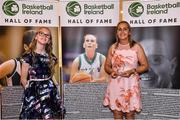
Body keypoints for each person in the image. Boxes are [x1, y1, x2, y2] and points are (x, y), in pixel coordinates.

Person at [103, 21, 149, 120]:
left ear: (129, 32)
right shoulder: (113, 47)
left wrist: (133, 71)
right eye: (119, 29)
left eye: (125, 29)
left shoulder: (136, 47)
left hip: (131, 85)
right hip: (115, 85)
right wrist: (112, 71)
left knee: (130, 115)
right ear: (116, 32)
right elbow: (106, 66)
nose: (122, 31)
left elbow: (145, 66)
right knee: (117, 114)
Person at [19, 27, 65, 119]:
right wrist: (30, 93)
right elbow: (23, 79)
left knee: (49, 117)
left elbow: (51, 75)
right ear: (36, 36)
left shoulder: (51, 57)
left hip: (50, 92)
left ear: (49, 40)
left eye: (47, 35)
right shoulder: (27, 56)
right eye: (41, 33)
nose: (44, 36)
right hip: (34, 92)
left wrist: (57, 88)